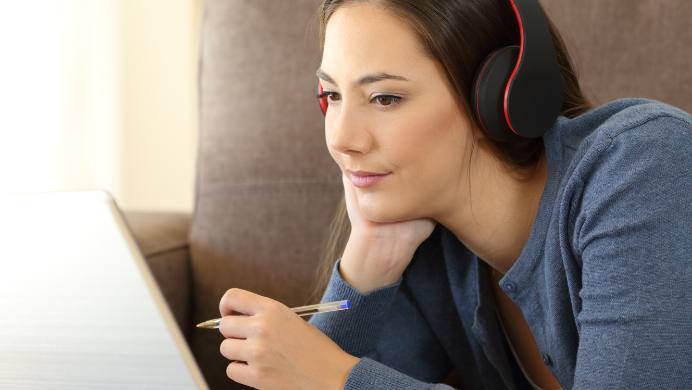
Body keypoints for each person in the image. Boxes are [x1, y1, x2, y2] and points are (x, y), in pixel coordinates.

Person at [214, 0, 692, 389]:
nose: (340, 138)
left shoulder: (647, 164)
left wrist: (336, 377)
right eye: (331, 96)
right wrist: (367, 262)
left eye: (385, 98)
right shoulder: (426, 244)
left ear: (500, 96)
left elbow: (322, 379)